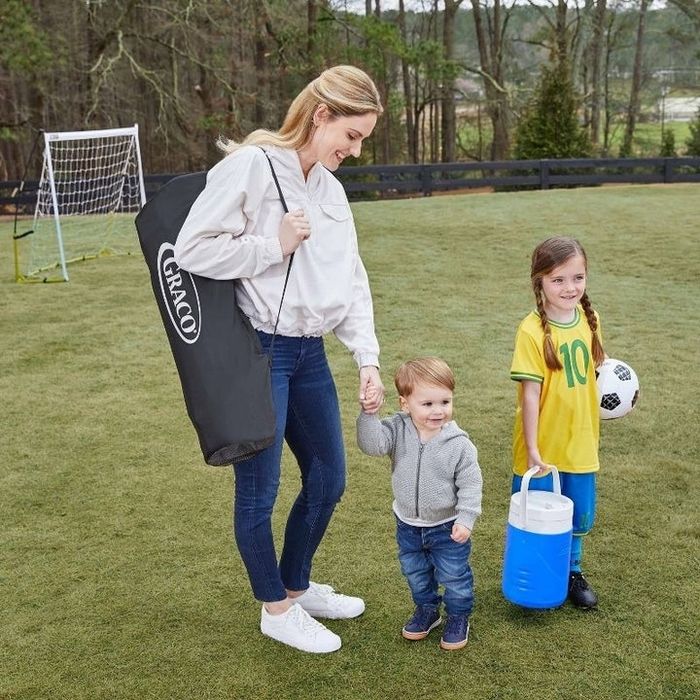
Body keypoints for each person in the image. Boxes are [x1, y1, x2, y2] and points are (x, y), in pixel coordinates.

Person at [173, 65, 385, 653]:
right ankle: (275, 608)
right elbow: (191, 248)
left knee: (328, 479)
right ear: (321, 116)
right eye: (351, 134)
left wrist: (366, 357)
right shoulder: (252, 166)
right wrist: (274, 246)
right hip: (261, 350)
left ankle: (297, 585)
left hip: (311, 353)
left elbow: (352, 276)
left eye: (363, 138)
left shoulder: (332, 190)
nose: (355, 149)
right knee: (259, 493)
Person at [357, 357, 482, 650]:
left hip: (447, 527)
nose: (438, 411)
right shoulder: (397, 429)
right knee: (415, 573)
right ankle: (427, 610)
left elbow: (471, 484)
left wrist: (465, 519)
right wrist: (369, 414)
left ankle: (458, 616)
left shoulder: (459, 444)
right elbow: (371, 445)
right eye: (427, 404)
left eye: (445, 401)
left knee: (454, 575)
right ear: (405, 404)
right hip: (408, 526)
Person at [510, 236, 606, 609]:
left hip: (580, 439)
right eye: (558, 280)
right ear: (540, 283)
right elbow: (530, 395)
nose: (570, 288)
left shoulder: (590, 319)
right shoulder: (530, 331)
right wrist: (533, 448)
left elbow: (600, 371)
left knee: (577, 513)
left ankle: (572, 571)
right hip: (543, 444)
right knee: (538, 512)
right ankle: (539, 571)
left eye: (577, 278)